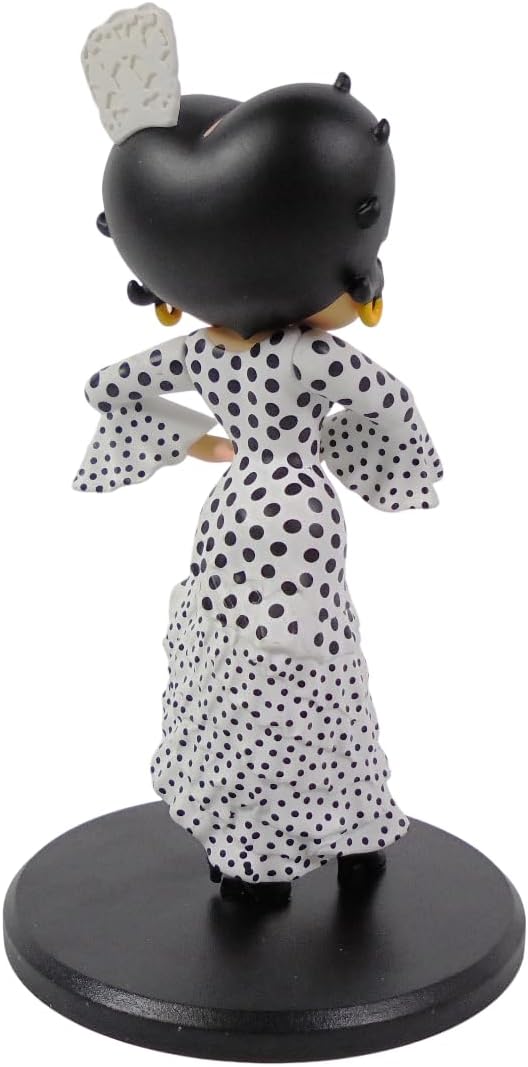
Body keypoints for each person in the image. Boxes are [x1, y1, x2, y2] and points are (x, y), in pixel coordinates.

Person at [77, 3, 442, 905]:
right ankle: (320, 835)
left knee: (271, 673)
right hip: (287, 513)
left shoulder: (207, 353)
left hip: (245, 513)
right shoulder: (307, 355)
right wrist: (359, 456)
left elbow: (111, 385)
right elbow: (391, 401)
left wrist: (195, 440)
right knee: (293, 675)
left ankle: (280, 843)